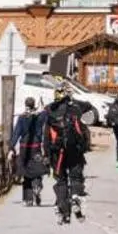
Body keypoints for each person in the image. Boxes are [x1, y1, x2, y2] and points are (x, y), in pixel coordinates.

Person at [44, 89, 90, 224]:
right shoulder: (75, 108)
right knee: (76, 177)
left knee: (61, 181)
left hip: (56, 153)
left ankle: (63, 211)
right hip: (74, 150)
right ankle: (75, 197)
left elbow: (46, 136)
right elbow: (88, 107)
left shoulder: (49, 111)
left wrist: (46, 154)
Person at [13, 97, 48, 207]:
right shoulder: (39, 116)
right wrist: (42, 108)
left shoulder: (21, 118)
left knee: (26, 173)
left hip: (24, 148)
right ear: (34, 105)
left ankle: (28, 199)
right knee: (37, 170)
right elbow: (46, 113)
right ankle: (37, 185)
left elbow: (16, 133)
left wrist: (11, 147)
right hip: (36, 147)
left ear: (25, 105)